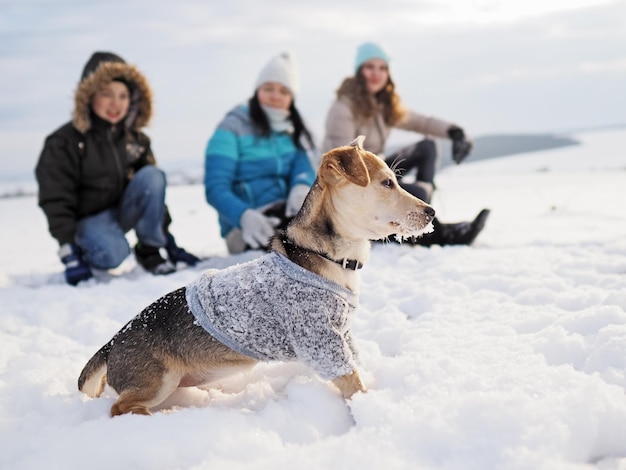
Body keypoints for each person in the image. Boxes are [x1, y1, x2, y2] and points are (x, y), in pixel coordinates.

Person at [36, 51, 200, 286]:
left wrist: (168, 241)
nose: (116, 104)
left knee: (153, 176)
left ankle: (150, 250)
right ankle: (86, 250)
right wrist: (68, 250)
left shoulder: (137, 140)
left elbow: (151, 195)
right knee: (113, 255)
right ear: (89, 96)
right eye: (107, 94)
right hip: (87, 222)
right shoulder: (64, 141)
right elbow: (55, 198)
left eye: (123, 95)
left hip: (121, 213)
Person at [322, 42, 490, 246]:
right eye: (370, 67)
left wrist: (455, 132)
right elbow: (343, 163)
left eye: (382, 68)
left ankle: (421, 224)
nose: (376, 73)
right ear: (359, 72)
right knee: (418, 192)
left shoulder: (384, 105)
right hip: (361, 185)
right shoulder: (343, 108)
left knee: (428, 147)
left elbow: (422, 122)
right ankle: (431, 233)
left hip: (380, 173)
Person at [204, 52, 317, 254]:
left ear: (291, 98)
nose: (275, 96)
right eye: (269, 88)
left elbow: (303, 166)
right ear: (257, 91)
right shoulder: (231, 127)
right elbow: (215, 187)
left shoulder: (294, 130)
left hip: (287, 214)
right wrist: (244, 216)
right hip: (246, 227)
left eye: (283, 91)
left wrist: (301, 187)